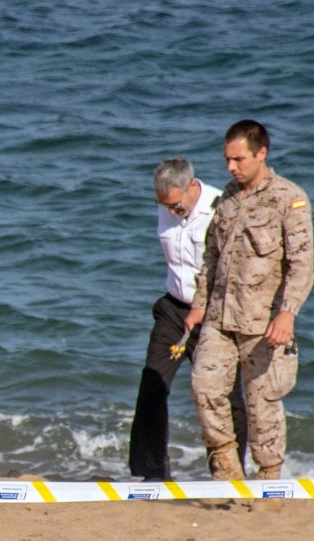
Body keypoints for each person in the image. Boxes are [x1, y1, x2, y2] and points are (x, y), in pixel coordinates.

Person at [185, 119, 314, 480]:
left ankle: (269, 478)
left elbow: (302, 264)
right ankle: (226, 471)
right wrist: (199, 304)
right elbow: (210, 256)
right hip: (219, 318)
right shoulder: (226, 199)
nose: (230, 167)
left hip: (264, 323)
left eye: (238, 159)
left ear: (262, 154)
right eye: (227, 159)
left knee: (263, 406)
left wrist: (287, 314)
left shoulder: (289, 198)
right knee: (205, 389)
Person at [128, 157, 246, 481]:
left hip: (213, 315)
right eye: (163, 205)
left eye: (176, 206)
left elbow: (229, 271)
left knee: (223, 395)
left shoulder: (220, 209)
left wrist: (206, 309)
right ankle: (152, 473)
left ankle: (231, 473)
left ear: (193, 187)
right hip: (174, 310)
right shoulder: (167, 205)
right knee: (153, 382)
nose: (169, 212)